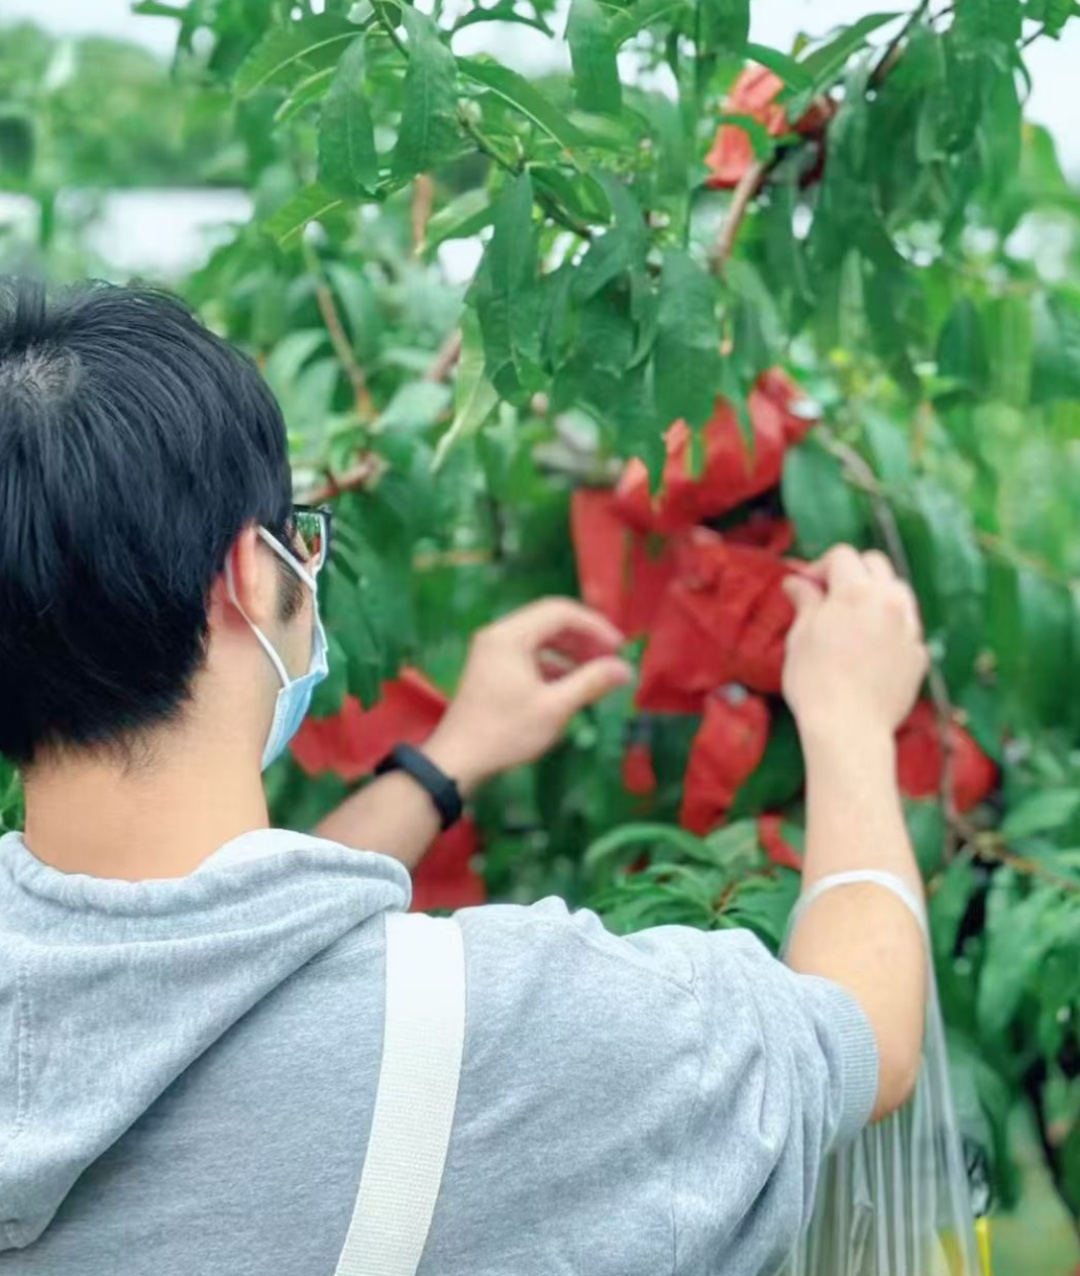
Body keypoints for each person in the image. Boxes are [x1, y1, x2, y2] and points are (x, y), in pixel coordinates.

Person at [0, 278, 929, 1275]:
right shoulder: (518, 1036)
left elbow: (214, 950)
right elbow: (861, 1035)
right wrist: (848, 720)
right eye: (299, 537)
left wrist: (448, 761)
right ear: (249, 577)